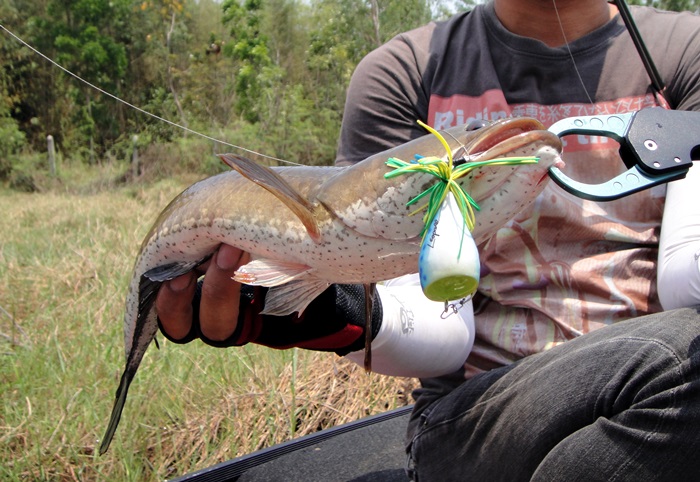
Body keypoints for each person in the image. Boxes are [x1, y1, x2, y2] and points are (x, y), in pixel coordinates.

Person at [157, 1, 700, 479]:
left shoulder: (686, 51)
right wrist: (338, 310)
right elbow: (441, 330)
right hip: (471, 420)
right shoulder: (404, 72)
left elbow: (685, 279)